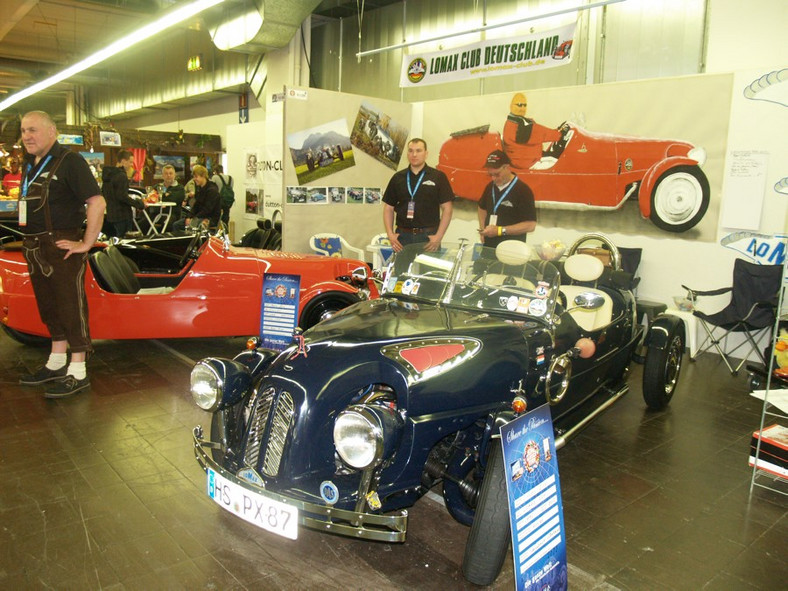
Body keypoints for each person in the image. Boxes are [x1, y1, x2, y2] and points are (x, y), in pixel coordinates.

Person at [17, 111, 106, 398]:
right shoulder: (30, 163)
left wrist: (86, 243)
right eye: (23, 131)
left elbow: (97, 201)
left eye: (32, 130)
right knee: (49, 307)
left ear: (51, 131)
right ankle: (56, 362)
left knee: (70, 306)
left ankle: (78, 371)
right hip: (34, 247)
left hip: (61, 246)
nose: (26, 136)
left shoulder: (71, 162)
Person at [382, 138, 453, 253]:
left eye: (418, 150)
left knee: (428, 271)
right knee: (402, 271)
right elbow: (388, 208)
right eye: (410, 151)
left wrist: (438, 237)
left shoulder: (438, 177)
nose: (414, 154)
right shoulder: (398, 178)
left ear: (426, 153)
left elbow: (447, 209)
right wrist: (390, 234)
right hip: (403, 237)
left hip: (428, 238)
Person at [477, 150, 536, 250]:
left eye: (497, 174)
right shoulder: (490, 187)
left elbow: (530, 225)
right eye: (490, 175)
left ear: (506, 167)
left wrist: (500, 231)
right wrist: (483, 230)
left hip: (512, 250)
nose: (493, 179)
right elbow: (481, 208)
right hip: (489, 247)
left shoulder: (523, 190)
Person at [503, 92, 562, 169]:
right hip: (527, 162)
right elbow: (539, 133)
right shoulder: (518, 125)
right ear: (511, 106)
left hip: (524, 159)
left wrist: (557, 131)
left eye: (524, 105)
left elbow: (537, 132)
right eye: (519, 105)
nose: (522, 108)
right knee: (559, 164)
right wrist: (559, 134)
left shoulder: (514, 121)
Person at [102, 149, 144, 237]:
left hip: (111, 215)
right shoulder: (121, 176)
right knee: (124, 241)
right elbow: (122, 196)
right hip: (122, 215)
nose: (132, 165)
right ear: (123, 161)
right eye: (130, 162)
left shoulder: (107, 176)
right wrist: (138, 204)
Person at [172, 164, 220, 231]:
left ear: (203, 176)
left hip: (210, 218)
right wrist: (189, 217)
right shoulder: (200, 188)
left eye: (196, 177)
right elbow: (196, 206)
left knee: (192, 224)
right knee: (176, 225)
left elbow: (207, 209)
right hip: (200, 216)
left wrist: (194, 218)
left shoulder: (212, 190)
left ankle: (192, 241)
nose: (194, 179)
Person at [211, 164, 233, 229]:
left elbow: (212, 189)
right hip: (228, 201)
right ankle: (225, 233)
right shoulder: (231, 178)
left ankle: (217, 233)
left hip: (218, 201)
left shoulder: (215, 177)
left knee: (216, 219)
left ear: (215, 171)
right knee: (226, 219)